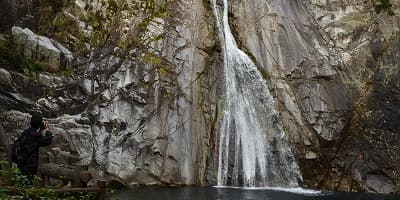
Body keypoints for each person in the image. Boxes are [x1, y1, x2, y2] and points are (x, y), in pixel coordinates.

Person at [17, 115, 53, 184]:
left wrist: (40, 129)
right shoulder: (36, 136)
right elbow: (48, 140)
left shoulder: (26, 132)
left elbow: (35, 138)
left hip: (21, 161)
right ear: (39, 125)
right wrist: (47, 130)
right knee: (28, 183)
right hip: (30, 164)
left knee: (22, 181)